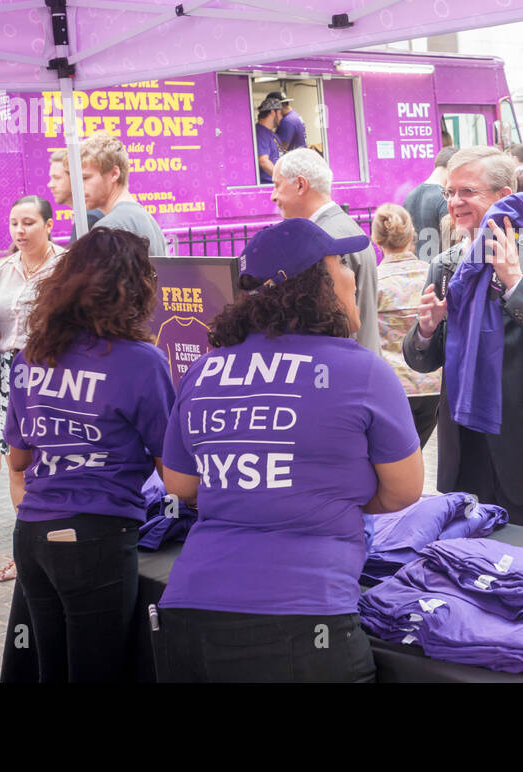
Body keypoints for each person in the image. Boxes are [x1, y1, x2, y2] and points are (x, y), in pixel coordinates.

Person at [155, 219, 422, 681]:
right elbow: (402, 492)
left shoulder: (206, 369)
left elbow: (180, 483)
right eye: (339, 263)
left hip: (190, 612)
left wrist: (249, 484)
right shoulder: (363, 372)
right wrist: (330, 494)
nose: (352, 274)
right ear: (313, 285)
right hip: (305, 622)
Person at [5, 229, 173, 682]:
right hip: (97, 536)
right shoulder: (141, 361)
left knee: (52, 669)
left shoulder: (30, 357)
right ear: (133, 288)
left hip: (33, 536)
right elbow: (174, 474)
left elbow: (18, 461)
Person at [403, 146, 523, 534]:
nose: (455, 202)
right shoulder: (445, 264)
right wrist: (426, 330)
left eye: (468, 191)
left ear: (504, 198)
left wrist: (515, 283)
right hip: (466, 451)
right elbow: (422, 360)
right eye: (450, 192)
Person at [0, 195, 64, 590]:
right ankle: (29, 551)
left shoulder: (67, 267)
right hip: (9, 376)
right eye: (14, 224)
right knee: (17, 465)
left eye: (28, 223)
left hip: (56, 374)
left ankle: (60, 544)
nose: (20, 232)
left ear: (49, 225)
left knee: (54, 461)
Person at [272, 148, 380, 353]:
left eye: (277, 185)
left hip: (343, 368)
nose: (273, 196)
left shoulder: (323, 240)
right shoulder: (344, 227)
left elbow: (330, 323)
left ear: (300, 185)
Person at [372, 205, 442, 448]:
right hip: (434, 384)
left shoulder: (375, 282)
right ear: (412, 235)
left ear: (377, 239)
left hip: (393, 385)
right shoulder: (432, 275)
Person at [78, 135, 167, 256]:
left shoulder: (108, 229)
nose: (80, 186)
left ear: (114, 174)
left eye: (85, 178)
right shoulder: (149, 221)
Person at [403, 146, 457, 263]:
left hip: (416, 269)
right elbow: (451, 246)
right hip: (437, 271)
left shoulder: (409, 196)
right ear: (451, 168)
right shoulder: (445, 198)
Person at [46, 149, 103, 228]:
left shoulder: (90, 218)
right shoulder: (85, 216)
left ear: (75, 179)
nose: (50, 185)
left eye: (57, 178)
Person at [254, 95, 281, 184]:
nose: (281, 117)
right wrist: (281, 180)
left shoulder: (271, 134)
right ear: (273, 112)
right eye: (280, 113)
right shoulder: (260, 133)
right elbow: (263, 161)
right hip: (268, 185)